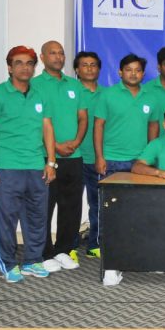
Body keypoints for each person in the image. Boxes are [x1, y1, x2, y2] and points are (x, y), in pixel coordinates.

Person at [0, 45, 57, 282]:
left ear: (35, 67)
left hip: (36, 165)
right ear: (9, 67)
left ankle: (33, 261)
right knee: (6, 219)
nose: (25, 67)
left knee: (37, 217)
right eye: (19, 63)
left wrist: (51, 162)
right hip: (7, 166)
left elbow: (47, 128)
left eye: (29, 63)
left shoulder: (40, 94)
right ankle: (8, 264)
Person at [92, 53, 158, 258]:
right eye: (128, 70)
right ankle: (106, 247)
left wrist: (149, 157)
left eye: (137, 70)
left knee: (139, 207)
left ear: (143, 73)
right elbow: (98, 126)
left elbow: (153, 126)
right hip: (111, 160)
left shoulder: (151, 97)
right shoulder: (107, 95)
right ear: (120, 72)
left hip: (139, 163)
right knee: (109, 208)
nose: (133, 74)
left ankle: (135, 246)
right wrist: (99, 157)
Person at [30, 41, 84, 272]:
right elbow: (37, 123)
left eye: (61, 52)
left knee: (71, 207)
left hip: (75, 155)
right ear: (42, 57)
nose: (58, 56)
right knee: (44, 206)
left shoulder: (74, 85)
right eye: (53, 53)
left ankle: (63, 249)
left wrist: (75, 142)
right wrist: (56, 146)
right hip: (46, 157)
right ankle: (45, 252)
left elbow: (83, 118)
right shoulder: (34, 85)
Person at [74, 51, 103, 261]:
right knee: (72, 205)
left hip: (96, 158)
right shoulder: (71, 92)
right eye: (85, 65)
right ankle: (69, 247)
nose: (90, 68)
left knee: (97, 204)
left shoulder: (108, 94)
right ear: (77, 69)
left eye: (93, 65)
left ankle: (95, 244)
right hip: (73, 157)